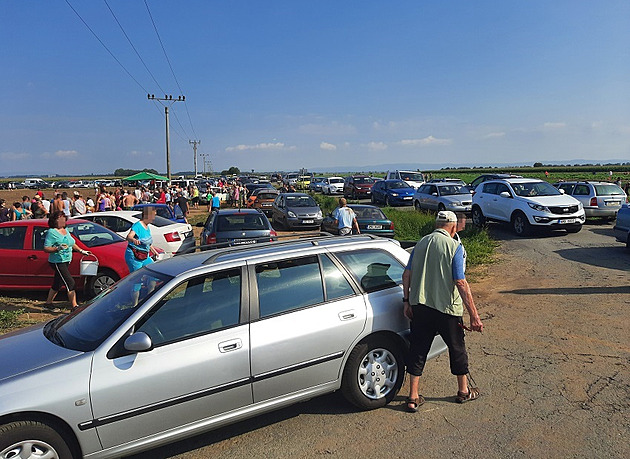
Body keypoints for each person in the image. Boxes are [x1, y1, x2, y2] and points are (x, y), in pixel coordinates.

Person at [402, 210, 483, 412]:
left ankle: (413, 397)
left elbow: (406, 274)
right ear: (453, 227)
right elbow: (460, 281)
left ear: (436, 224)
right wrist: (474, 315)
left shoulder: (420, 244)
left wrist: (406, 302)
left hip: (420, 306)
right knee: (457, 348)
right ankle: (463, 391)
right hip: (447, 308)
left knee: (418, 349)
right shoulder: (454, 246)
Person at [43, 211, 90, 311]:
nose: (62, 220)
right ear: (55, 220)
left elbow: (71, 243)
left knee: (58, 283)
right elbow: (46, 248)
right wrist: (57, 248)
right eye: (60, 218)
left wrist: (81, 251)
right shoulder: (51, 232)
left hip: (67, 260)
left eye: (64, 218)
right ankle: (75, 307)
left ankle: (48, 303)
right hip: (57, 261)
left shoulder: (66, 230)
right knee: (70, 283)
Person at [125, 206, 159, 272]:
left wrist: (155, 252)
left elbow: (148, 242)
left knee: (153, 271)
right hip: (135, 256)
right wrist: (134, 240)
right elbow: (129, 236)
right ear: (148, 216)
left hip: (144, 255)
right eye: (153, 216)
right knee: (136, 277)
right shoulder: (137, 225)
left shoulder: (147, 227)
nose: (154, 218)